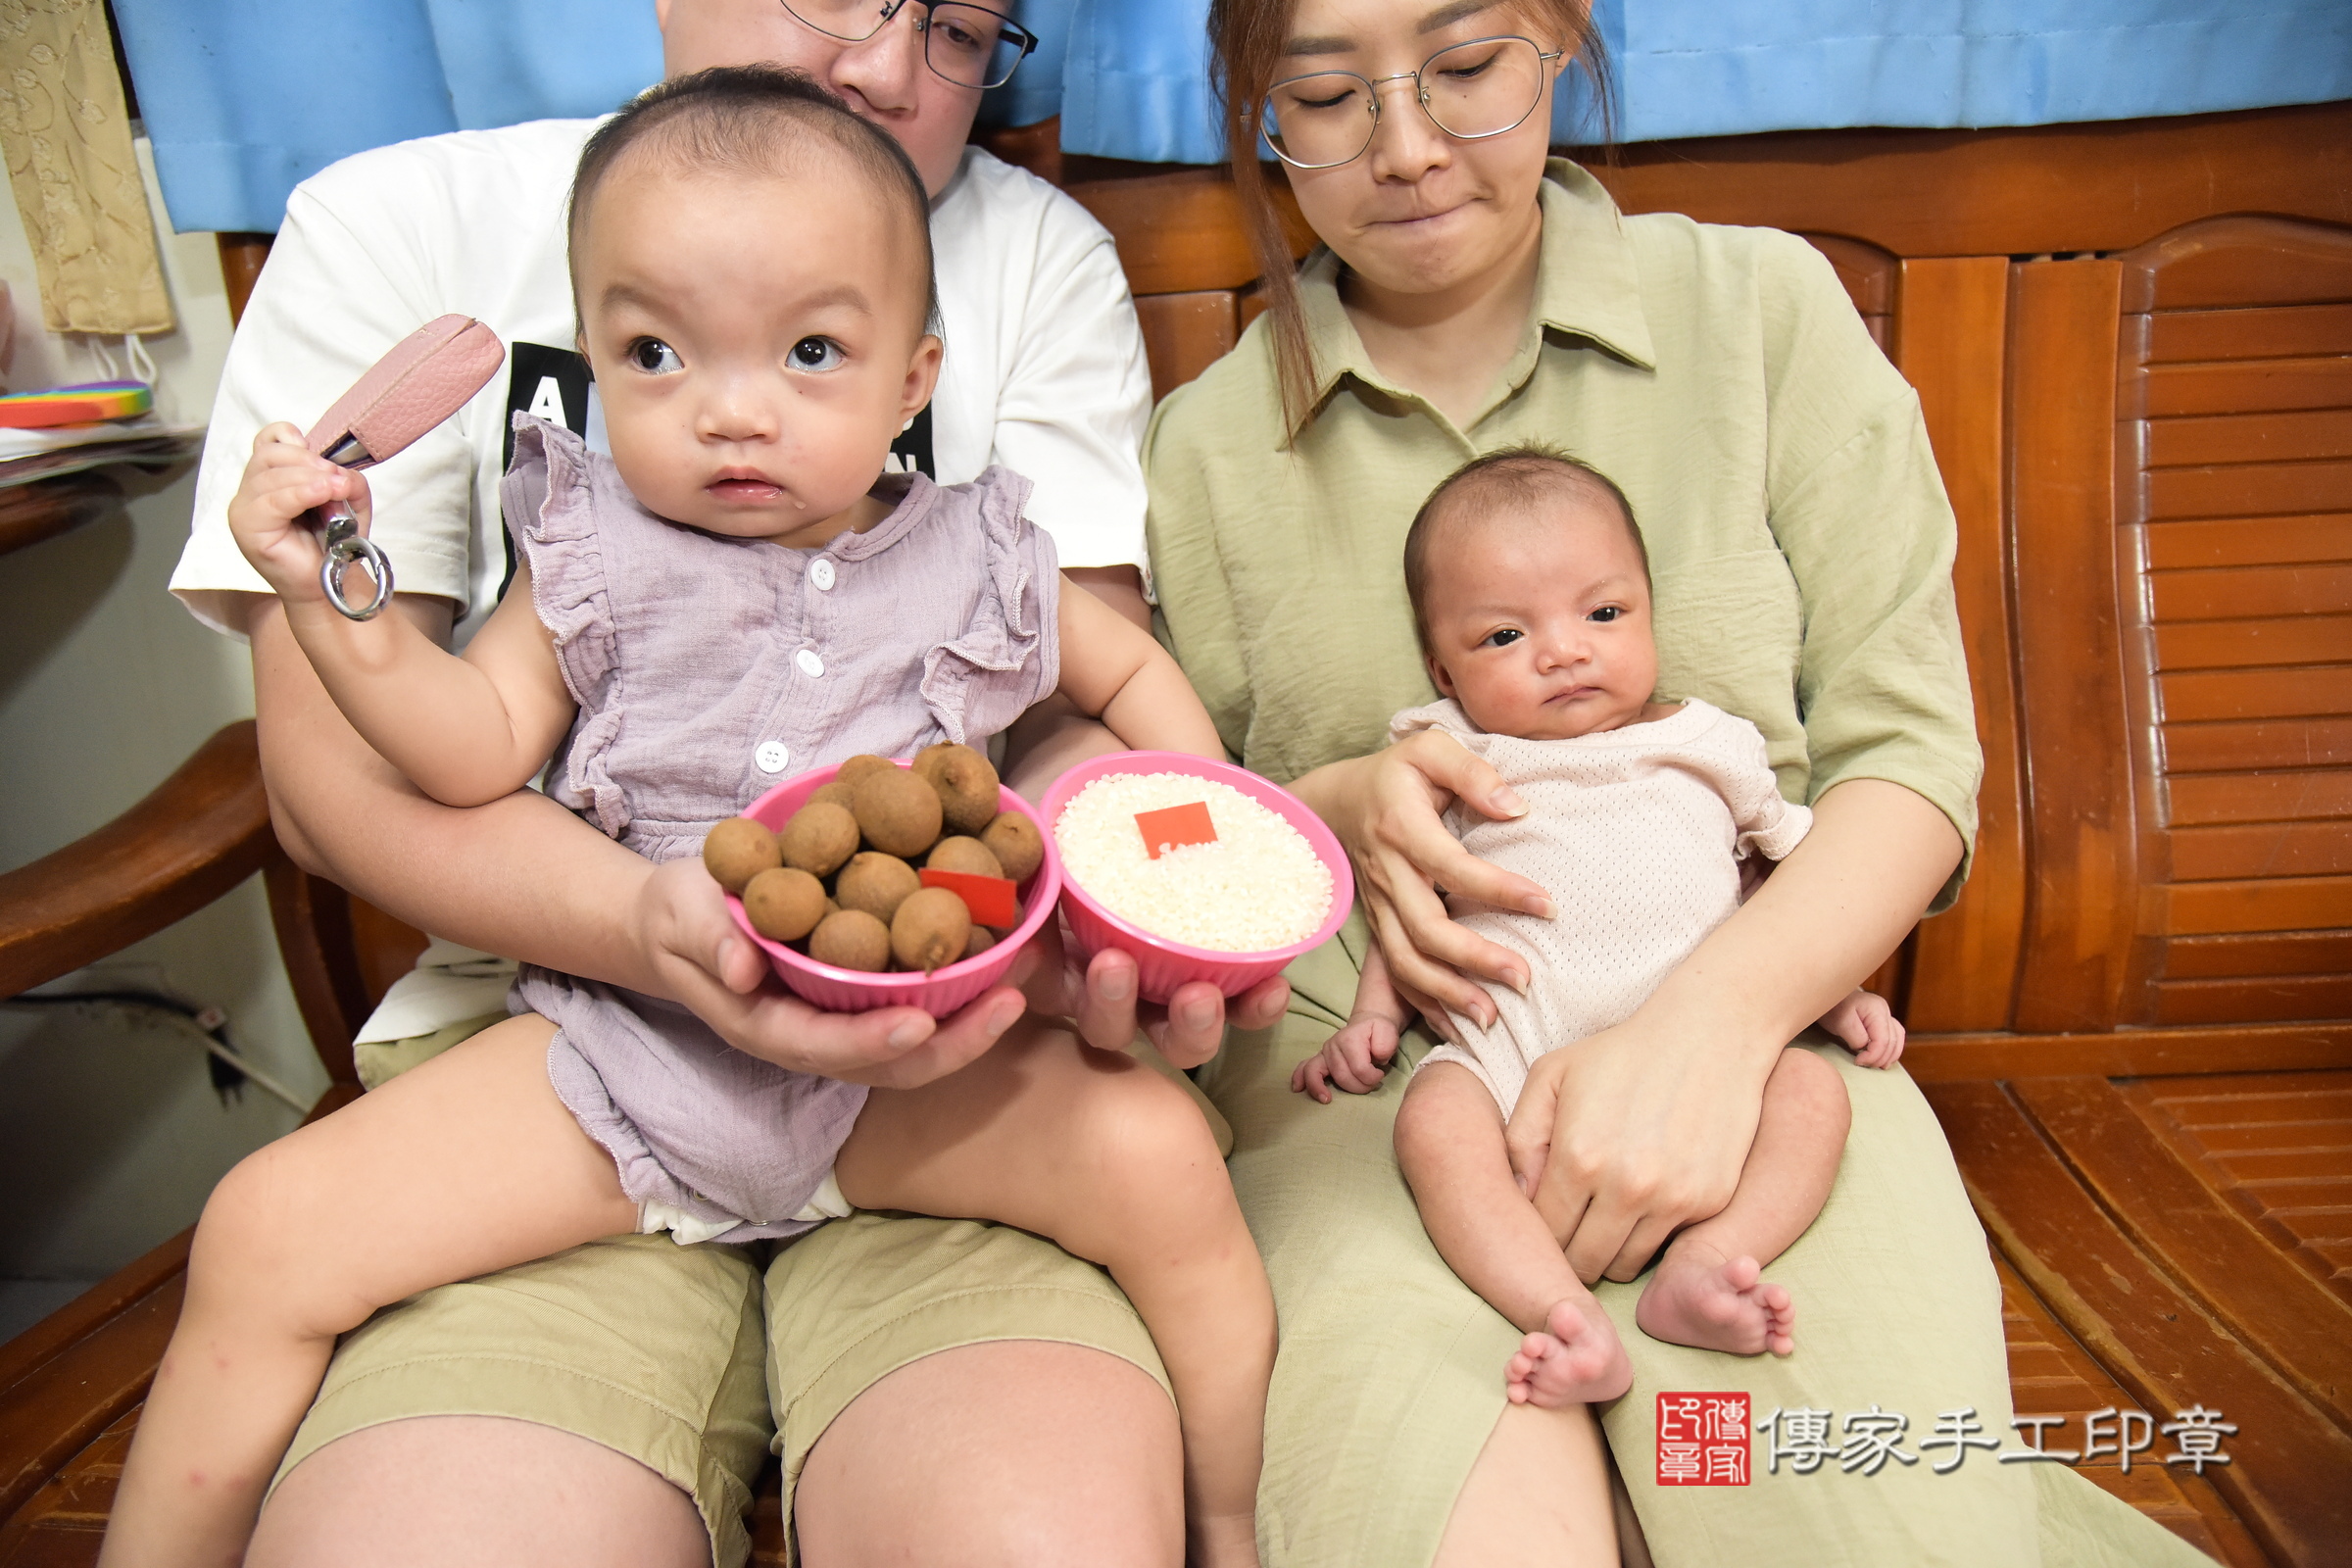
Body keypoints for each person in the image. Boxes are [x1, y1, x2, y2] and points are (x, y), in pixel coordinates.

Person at [168, 4, 1287, 1562]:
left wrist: (1185, 845)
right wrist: (332, 597)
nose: (730, 407)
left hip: (917, 1053)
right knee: (263, 1228)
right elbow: (452, 749)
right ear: (591, 347)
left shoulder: (983, 547)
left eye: (811, 354)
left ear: (916, 378)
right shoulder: (584, 555)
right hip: (615, 1053)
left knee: (1169, 1169)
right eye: (654, 355)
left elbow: (1119, 680)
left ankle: (1232, 1525)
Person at [1138, 0, 2219, 1561]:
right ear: (1259, 117)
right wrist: (1351, 788)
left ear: (1559, 48)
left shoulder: (1763, 311)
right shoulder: (1206, 444)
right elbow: (1199, 838)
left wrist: (1716, 1028)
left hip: (1760, 1022)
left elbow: (1906, 759)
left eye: (1464, 72)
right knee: (1453, 1526)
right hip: (1381, 1093)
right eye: (1326, 95)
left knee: (1835, 1522)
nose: (1410, 146)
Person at [1293, 446, 1906, 1408]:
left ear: (1652, 612)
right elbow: (1403, 889)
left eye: (1604, 614)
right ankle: (1557, 1312)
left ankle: (1705, 1266)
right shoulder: (1447, 755)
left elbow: (1777, 875)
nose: (1564, 649)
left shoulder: (1709, 743)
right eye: (1504, 635)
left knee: (1812, 1098)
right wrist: (1373, 1018)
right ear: (1440, 667)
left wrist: (1839, 991)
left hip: (1704, 1051)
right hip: (1509, 1055)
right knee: (1432, 1123)